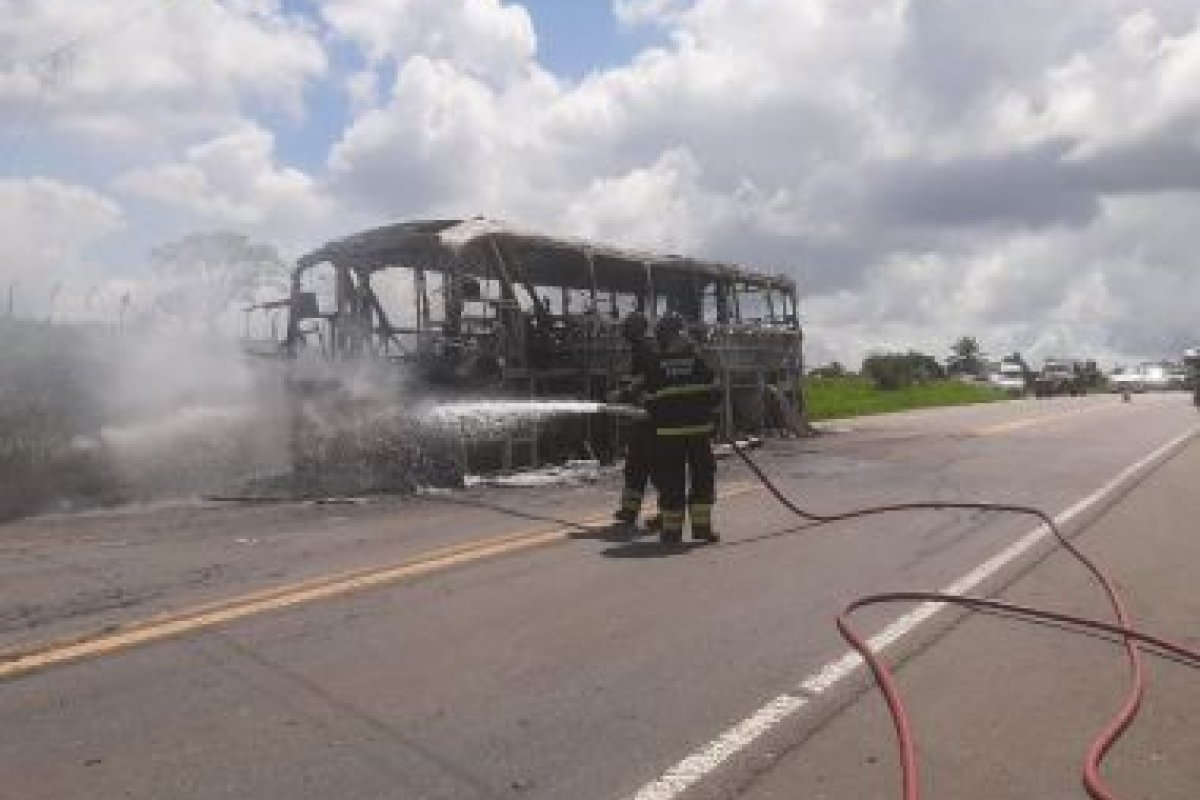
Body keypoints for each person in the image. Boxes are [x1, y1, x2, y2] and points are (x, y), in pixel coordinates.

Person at [644, 313, 720, 545]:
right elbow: (716, 395)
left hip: (667, 436)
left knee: (671, 482)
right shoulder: (700, 362)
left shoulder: (655, 366)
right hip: (699, 433)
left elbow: (648, 401)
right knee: (703, 479)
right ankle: (702, 528)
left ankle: (671, 531)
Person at [612, 310, 657, 525]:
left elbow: (645, 379)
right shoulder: (641, 348)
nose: (624, 332)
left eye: (628, 327)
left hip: (652, 419)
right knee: (635, 465)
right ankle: (629, 510)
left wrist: (624, 393)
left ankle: (666, 513)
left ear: (637, 329)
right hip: (641, 418)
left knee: (656, 468)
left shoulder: (645, 349)